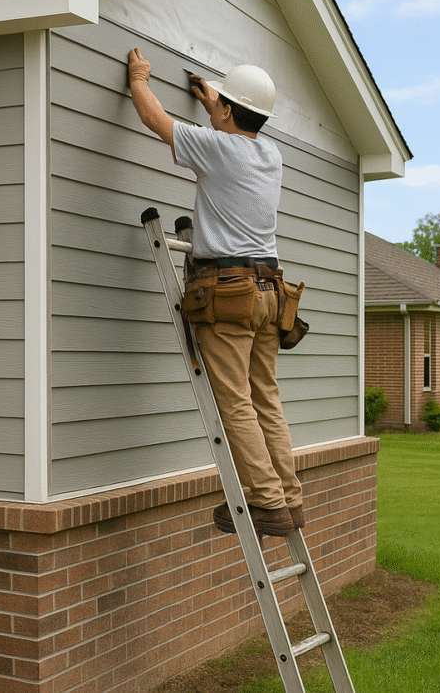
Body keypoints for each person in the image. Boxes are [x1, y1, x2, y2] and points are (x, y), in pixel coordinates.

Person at [127, 47, 303, 538]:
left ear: (228, 110)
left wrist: (140, 77)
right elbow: (233, 132)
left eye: (221, 102)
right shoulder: (271, 154)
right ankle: (289, 498)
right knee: (265, 397)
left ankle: (266, 503)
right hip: (271, 290)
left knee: (236, 403)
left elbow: (153, 118)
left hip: (229, 295)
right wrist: (216, 104)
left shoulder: (216, 148)